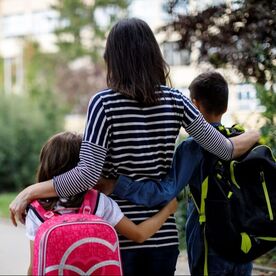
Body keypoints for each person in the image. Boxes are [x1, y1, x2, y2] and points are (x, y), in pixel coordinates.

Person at [10, 18, 259, 275]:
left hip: (117, 237)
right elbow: (225, 149)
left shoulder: (104, 104)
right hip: (164, 237)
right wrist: (254, 135)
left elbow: (86, 175)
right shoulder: (176, 101)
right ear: (153, 54)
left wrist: (30, 192)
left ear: (115, 58)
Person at [109, 71, 253, 275]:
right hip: (243, 241)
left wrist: (117, 185)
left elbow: (165, 192)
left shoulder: (193, 148)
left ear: (194, 105)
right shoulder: (242, 140)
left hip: (210, 241)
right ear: (225, 106)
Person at [26, 131, 178, 275]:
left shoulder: (37, 210)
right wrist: (167, 210)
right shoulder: (98, 202)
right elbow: (139, 235)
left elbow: (35, 266)